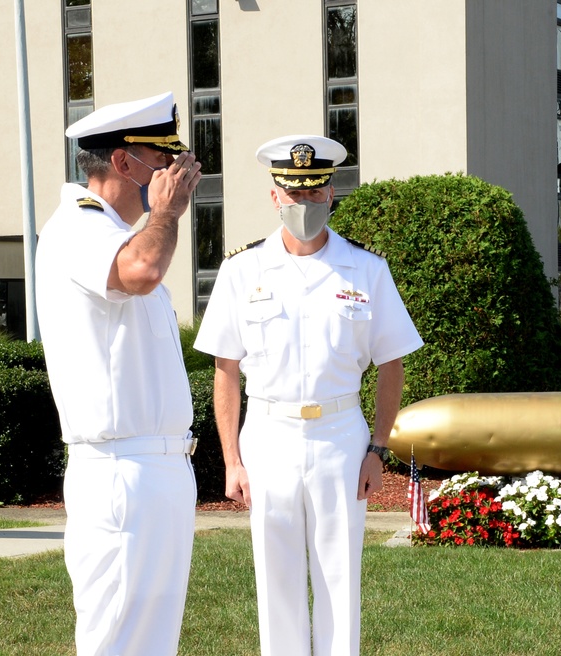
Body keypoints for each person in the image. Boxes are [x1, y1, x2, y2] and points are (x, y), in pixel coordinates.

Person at [194, 134, 423, 655]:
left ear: (331, 195)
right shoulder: (240, 270)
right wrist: (231, 459)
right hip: (268, 436)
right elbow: (225, 370)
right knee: (275, 580)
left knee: (339, 576)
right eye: (292, 194)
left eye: (314, 192)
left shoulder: (367, 269)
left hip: (341, 438)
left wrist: (377, 449)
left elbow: (392, 363)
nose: (303, 203)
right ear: (274, 197)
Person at [35, 91, 203, 656]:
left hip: (157, 467)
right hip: (118, 471)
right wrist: (165, 215)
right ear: (125, 163)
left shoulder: (115, 233)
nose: (174, 177)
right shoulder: (77, 227)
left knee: (152, 643)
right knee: (117, 642)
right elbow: (142, 271)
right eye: (163, 162)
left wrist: (160, 219)